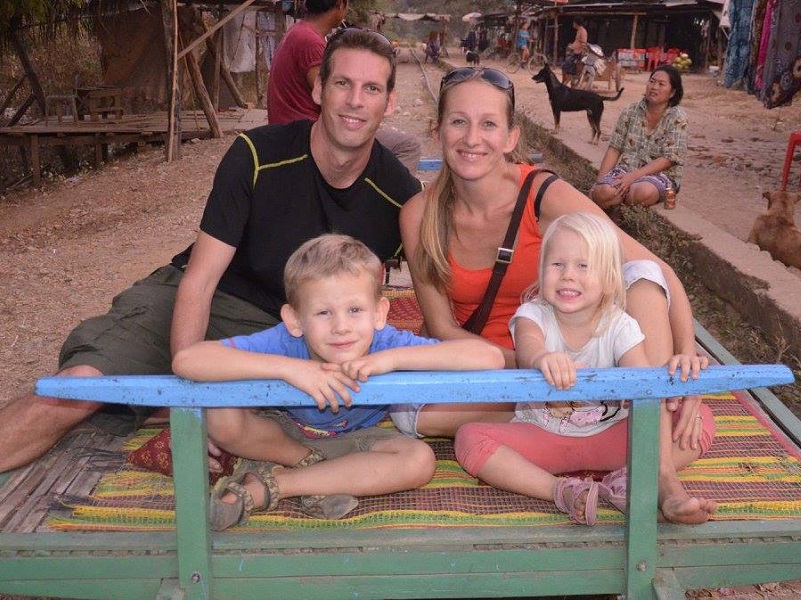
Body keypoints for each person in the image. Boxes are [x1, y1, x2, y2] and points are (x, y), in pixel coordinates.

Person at [0, 28, 422, 474]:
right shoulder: (258, 155)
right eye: (343, 83)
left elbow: (436, 301)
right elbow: (200, 283)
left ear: (389, 102)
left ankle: (148, 410)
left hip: (292, 331)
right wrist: (192, 403)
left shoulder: (399, 194)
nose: (355, 100)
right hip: (204, 300)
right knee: (78, 389)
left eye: (371, 88)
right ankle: (151, 406)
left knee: (284, 413)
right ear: (318, 89)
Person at [396, 66, 716, 524]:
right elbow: (443, 328)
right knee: (416, 418)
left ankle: (658, 470)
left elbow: (656, 270)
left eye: (488, 123)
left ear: (511, 137)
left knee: (642, 280)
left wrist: (686, 366)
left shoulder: (542, 193)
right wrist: (538, 363)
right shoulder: (419, 214)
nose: (472, 138)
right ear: (438, 130)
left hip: (573, 347)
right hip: (494, 368)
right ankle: (614, 441)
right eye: (458, 122)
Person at [172, 234, 505, 530]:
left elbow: (489, 358)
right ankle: (322, 471)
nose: (341, 327)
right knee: (218, 407)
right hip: (283, 436)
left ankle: (280, 484)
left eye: (355, 310)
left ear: (379, 313)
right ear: (295, 319)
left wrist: (393, 360)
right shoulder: (286, 341)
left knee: (420, 461)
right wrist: (288, 369)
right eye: (323, 313)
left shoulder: (385, 343)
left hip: (358, 440)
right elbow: (187, 360)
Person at [453, 213, 715, 525]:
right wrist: (542, 359)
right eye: (557, 264)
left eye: (583, 266)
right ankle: (560, 490)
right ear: (541, 271)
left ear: (609, 281)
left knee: (702, 422)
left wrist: (671, 373)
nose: (567, 275)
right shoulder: (532, 315)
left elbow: (643, 383)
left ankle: (630, 478)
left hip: (612, 437)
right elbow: (528, 348)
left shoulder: (620, 324)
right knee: (469, 438)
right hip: (546, 435)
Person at [266, 0, 422, 174]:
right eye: (343, 83)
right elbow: (331, 99)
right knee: (408, 146)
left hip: (289, 128)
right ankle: (381, 197)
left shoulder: (298, 31)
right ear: (340, 4)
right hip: (305, 136)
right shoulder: (310, 42)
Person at [591, 65, 687, 209]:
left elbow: (668, 159)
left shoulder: (677, 117)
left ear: (672, 92)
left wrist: (633, 177)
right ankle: (616, 209)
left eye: (661, 84)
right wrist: (599, 182)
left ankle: (620, 210)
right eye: (652, 81)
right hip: (626, 169)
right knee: (603, 192)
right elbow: (614, 149)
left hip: (660, 175)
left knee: (641, 192)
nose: (654, 87)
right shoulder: (630, 111)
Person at [561, 17, 588, 85]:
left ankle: (566, 82)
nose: (573, 24)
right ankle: (564, 81)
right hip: (574, 52)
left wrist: (575, 48)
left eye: (574, 22)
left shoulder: (583, 31)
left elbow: (583, 44)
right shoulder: (579, 30)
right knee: (564, 66)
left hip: (578, 53)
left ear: (576, 23)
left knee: (566, 65)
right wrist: (572, 46)